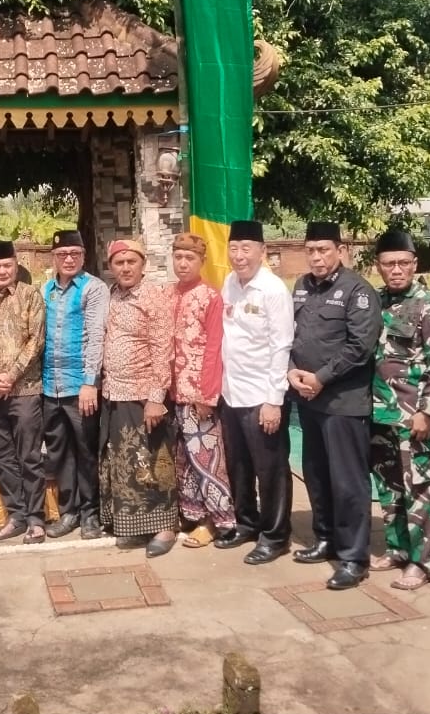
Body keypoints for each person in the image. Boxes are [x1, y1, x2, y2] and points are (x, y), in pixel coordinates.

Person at [288, 221, 381, 590]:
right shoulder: (301, 286)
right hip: (309, 400)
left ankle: (353, 557)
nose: (317, 257)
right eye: (311, 250)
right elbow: (292, 336)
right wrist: (292, 371)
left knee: (348, 482)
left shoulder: (358, 290)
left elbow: (361, 347)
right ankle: (324, 538)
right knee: (316, 474)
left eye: (324, 250)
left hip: (343, 402)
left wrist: (321, 377)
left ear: (340, 251)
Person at [368, 230, 430, 591]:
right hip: (380, 414)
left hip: (414, 416)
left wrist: (428, 412)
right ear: (379, 266)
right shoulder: (374, 303)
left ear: (415, 264)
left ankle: (423, 561)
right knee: (389, 488)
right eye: (389, 263)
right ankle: (398, 548)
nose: (396, 269)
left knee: (420, 488)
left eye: (403, 263)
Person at [215, 220, 295, 565]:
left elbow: (282, 345)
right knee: (239, 466)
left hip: (263, 396)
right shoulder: (229, 283)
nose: (239, 256)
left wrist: (274, 400)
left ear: (262, 251)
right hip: (232, 393)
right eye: (234, 248)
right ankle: (246, 522)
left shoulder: (273, 290)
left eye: (246, 248)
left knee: (270, 469)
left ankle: (275, 536)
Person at [98, 238, 177, 556]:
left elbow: (163, 349)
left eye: (132, 262)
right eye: (119, 263)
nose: (126, 268)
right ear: (111, 267)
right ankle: (131, 523)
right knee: (125, 462)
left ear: (143, 265)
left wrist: (156, 397)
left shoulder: (153, 297)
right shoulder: (113, 295)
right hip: (115, 393)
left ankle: (165, 527)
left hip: (144, 396)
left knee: (153, 461)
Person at [0, 239, 47, 544]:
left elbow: (36, 340)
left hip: (26, 390)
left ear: (16, 266)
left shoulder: (31, 295)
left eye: (7, 265)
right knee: (1, 456)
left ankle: (36, 519)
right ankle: (16, 515)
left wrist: (11, 375)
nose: (3, 271)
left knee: (29, 455)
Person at [40, 229, 108, 540]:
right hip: (50, 387)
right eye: (62, 254)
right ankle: (69, 512)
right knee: (59, 452)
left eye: (75, 254)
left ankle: (90, 513)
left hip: (80, 388)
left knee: (86, 451)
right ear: (53, 257)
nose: (69, 259)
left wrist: (90, 382)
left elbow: (96, 336)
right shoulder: (47, 290)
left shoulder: (93, 288)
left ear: (83, 256)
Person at [168, 232, 234, 547]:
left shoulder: (210, 297)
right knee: (184, 458)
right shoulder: (168, 294)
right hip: (173, 393)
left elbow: (214, 349)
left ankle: (217, 520)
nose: (183, 263)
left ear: (202, 261)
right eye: (178, 257)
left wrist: (207, 396)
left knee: (206, 457)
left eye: (189, 258)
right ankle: (192, 513)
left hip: (198, 395)